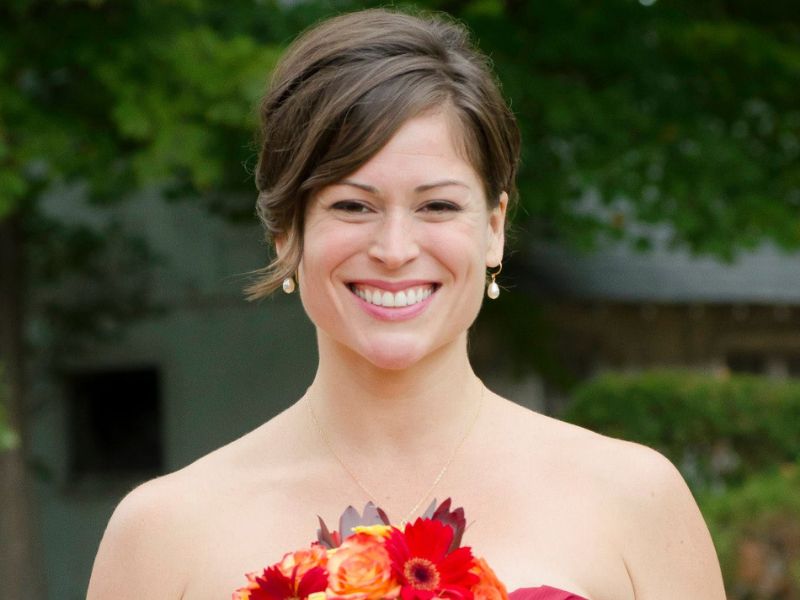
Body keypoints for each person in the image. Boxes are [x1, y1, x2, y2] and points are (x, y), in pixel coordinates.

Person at [87, 8, 726, 600]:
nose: (394, 251)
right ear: (286, 232)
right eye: (352, 206)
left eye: (437, 206)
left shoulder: (635, 501)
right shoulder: (162, 532)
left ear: (494, 228)